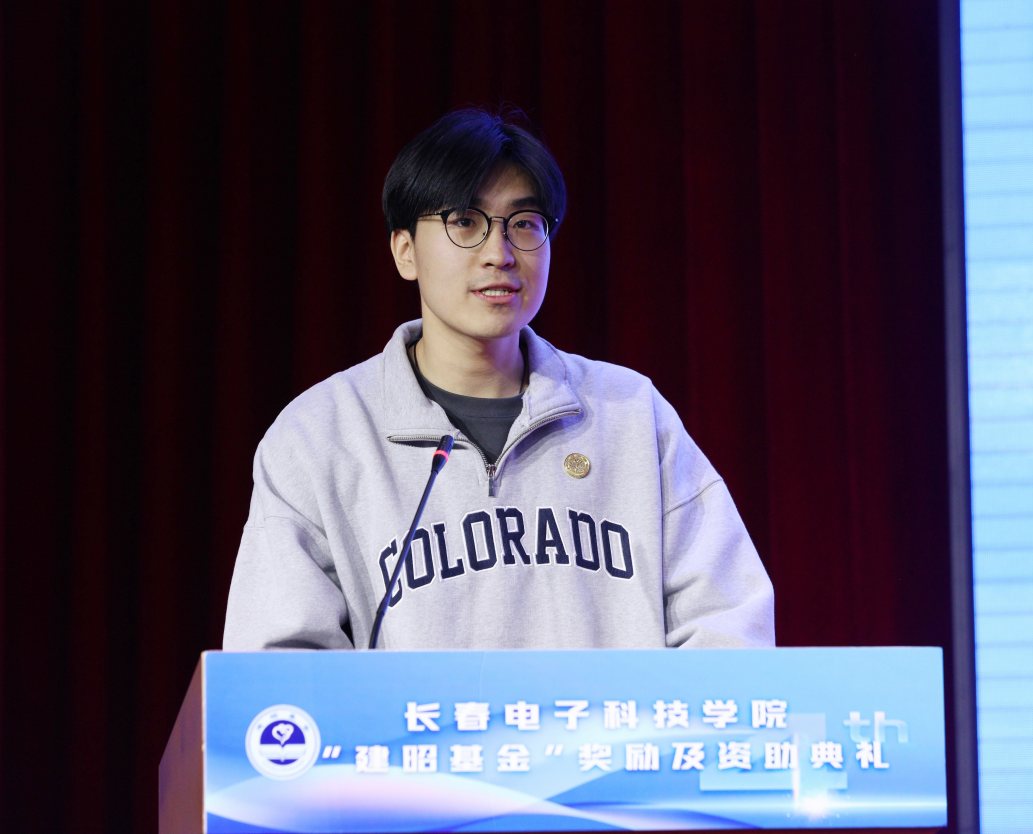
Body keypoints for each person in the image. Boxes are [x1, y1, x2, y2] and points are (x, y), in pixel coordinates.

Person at [223, 109, 774, 651]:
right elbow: (280, 668)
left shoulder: (630, 414)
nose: (499, 253)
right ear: (405, 251)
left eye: (525, 223)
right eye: (465, 221)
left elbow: (728, 625)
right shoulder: (319, 437)